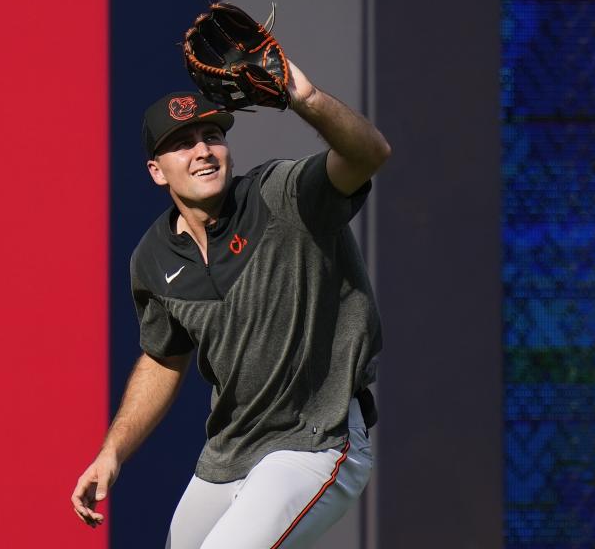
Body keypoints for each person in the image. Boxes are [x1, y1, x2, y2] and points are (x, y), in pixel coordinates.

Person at [71, 61, 390, 548]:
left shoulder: (282, 197)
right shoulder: (153, 258)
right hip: (230, 453)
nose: (202, 150)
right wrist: (112, 452)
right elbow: (163, 359)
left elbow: (370, 154)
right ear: (157, 171)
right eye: (181, 143)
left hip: (314, 438)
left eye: (211, 136)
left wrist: (306, 100)